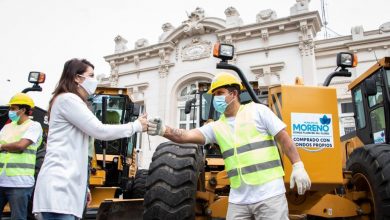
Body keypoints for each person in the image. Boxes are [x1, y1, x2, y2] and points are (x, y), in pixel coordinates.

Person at [148, 72, 311, 220]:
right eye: (214, 95)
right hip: (239, 199)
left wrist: (298, 165)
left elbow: (283, 137)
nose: (216, 99)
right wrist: (163, 130)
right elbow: (185, 136)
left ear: (233, 94)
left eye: (219, 93)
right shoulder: (217, 127)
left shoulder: (258, 111)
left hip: (269, 195)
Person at [33, 58, 148, 220]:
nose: (94, 80)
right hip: (59, 188)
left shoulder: (70, 101)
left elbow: (79, 153)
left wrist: (83, 187)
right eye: (91, 75)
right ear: (76, 77)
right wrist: (135, 126)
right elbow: (99, 130)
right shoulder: (68, 99)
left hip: (68, 189)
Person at [0, 93, 43, 220]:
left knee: (18, 217)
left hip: (20, 183)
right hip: (2, 180)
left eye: (13, 108)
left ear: (23, 110)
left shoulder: (34, 126)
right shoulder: (7, 127)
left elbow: (21, 146)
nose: (10, 111)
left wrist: (2, 147)